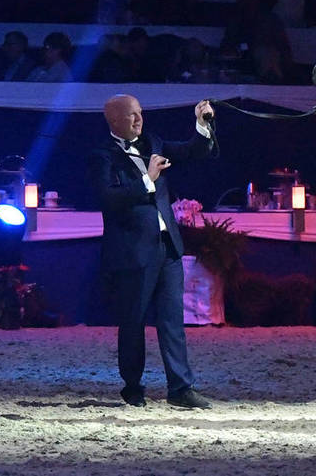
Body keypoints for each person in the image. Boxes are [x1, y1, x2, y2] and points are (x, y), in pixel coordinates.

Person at [88, 94, 216, 409]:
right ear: (114, 120)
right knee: (133, 322)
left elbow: (191, 151)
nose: (138, 119)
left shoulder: (153, 142)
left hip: (167, 247)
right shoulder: (101, 155)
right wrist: (148, 179)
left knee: (173, 320)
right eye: (131, 115)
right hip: (132, 252)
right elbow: (108, 199)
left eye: (140, 113)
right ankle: (133, 387)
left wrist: (202, 124)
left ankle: (181, 388)